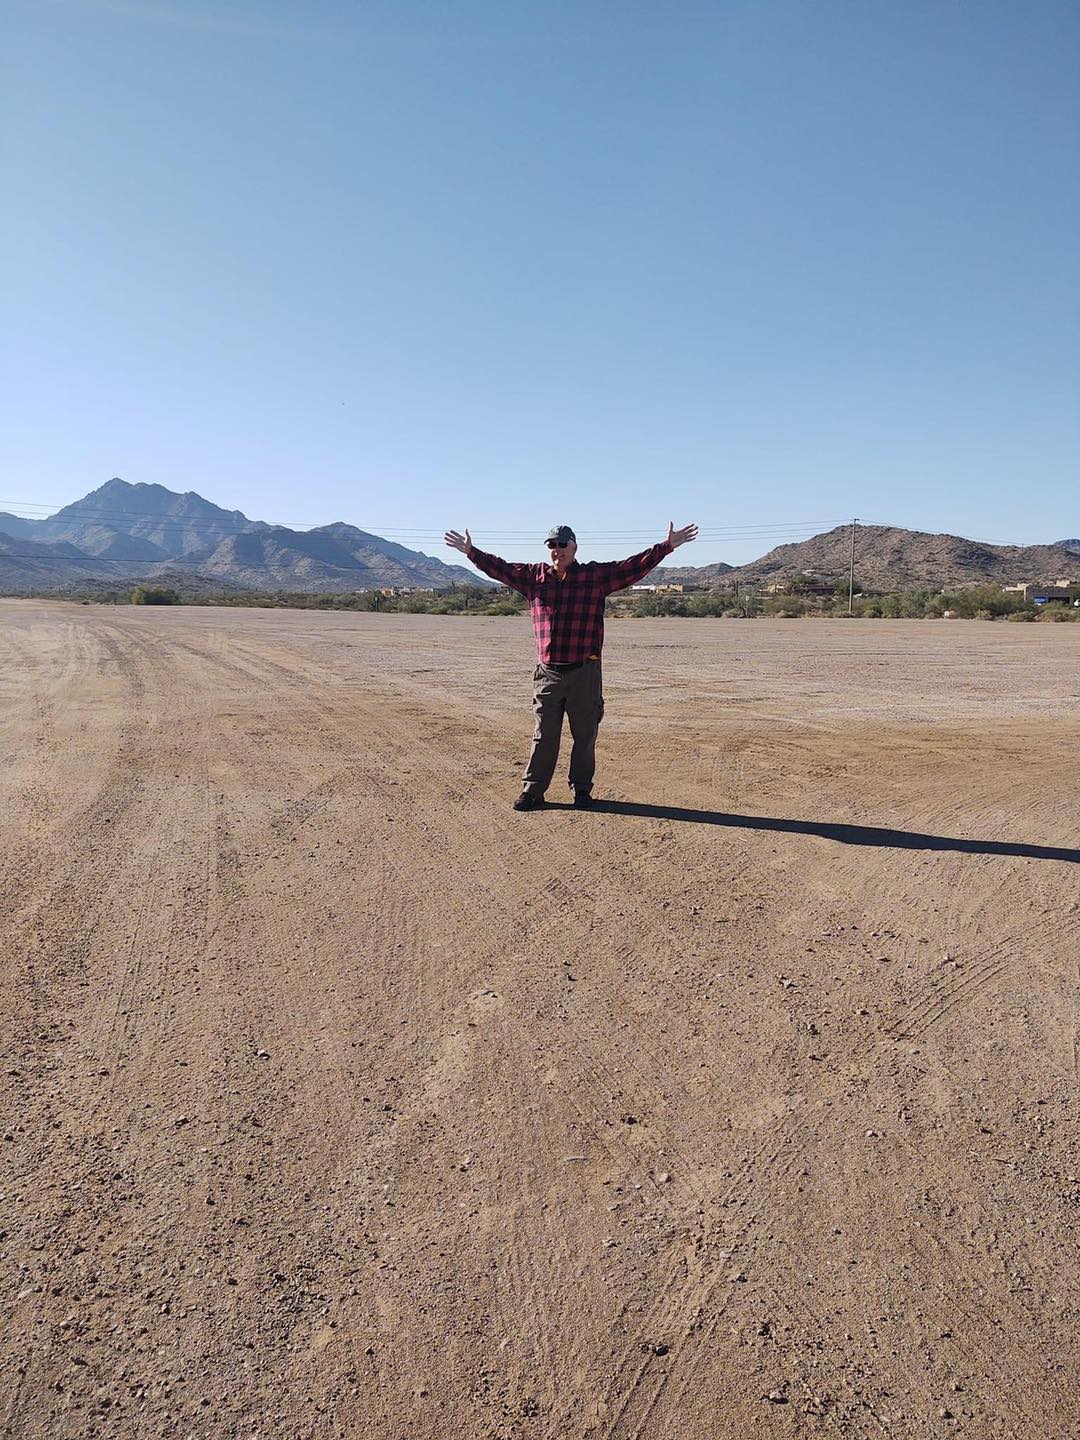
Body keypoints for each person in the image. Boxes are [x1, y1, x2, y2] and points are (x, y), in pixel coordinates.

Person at [444, 521, 698, 810]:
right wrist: (471, 552)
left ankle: (581, 790)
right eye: (552, 545)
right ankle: (533, 790)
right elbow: (499, 568)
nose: (557, 550)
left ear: (575, 547)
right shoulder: (533, 577)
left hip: (584, 672)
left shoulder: (594, 577)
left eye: (562, 544)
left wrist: (666, 547)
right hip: (548, 673)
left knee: (585, 735)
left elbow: (631, 567)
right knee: (544, 735)